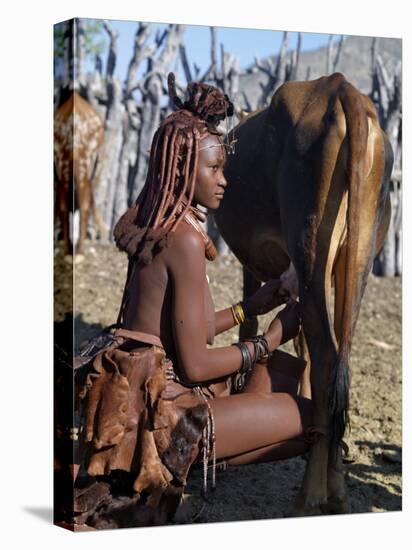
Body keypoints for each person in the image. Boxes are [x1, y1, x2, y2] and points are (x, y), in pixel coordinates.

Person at [77, 73, 314, 528]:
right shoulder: (184, 239)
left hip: (148, 405)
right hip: (169, 420)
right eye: (214, 169)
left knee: (269, 384)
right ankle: (180, 464)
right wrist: (270, 338)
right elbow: (197, 366)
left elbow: (194, 329)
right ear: (185, 168)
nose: (225, 181)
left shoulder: (156, 218)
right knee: (310, 417)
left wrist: (254, 305)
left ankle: (196, 460)